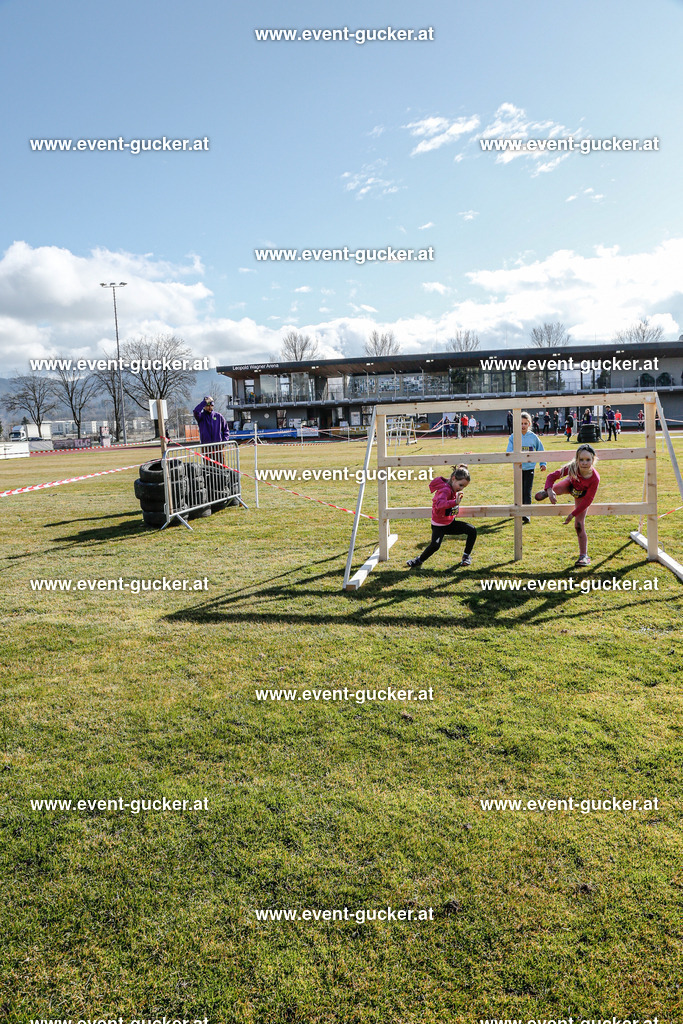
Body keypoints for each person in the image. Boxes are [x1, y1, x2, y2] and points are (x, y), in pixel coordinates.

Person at [535, 444, 600, 567]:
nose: (584, 463)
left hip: (581, 495)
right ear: (577, 460)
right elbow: (552, 476)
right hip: (570, 485)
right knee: (556, 488)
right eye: (581, 459)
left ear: (593, 459)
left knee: (579, 524)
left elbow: (588, 500)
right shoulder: (573, 467)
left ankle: (583, 556)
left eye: (587, 460)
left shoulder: (595, 478)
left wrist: (573, 514)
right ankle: (548, 491)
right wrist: (549, 490)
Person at [406, 464, 477, 569]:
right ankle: (418, 560)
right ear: (453, 479)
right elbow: (439, 505)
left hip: (450, 523)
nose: (461, 488)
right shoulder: (445, 490)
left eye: (464, 487)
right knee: (435, 545)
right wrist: (455, 502)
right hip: (439, 525)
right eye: (461, 485)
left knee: (472, 530)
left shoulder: (452, 486)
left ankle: (466, 556)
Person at [506, 412, 547, 524]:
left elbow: (541, 450)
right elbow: (509, 451)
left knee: (527, 491)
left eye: (525, 423)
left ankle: (527, 513)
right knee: (519, 491)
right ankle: (518, 510)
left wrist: (543, 463)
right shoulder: (513, 437)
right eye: (521, 423)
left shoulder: (533, 437)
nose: (523, 426)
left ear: (529, 424)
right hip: (518, 468)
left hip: (529, 468)